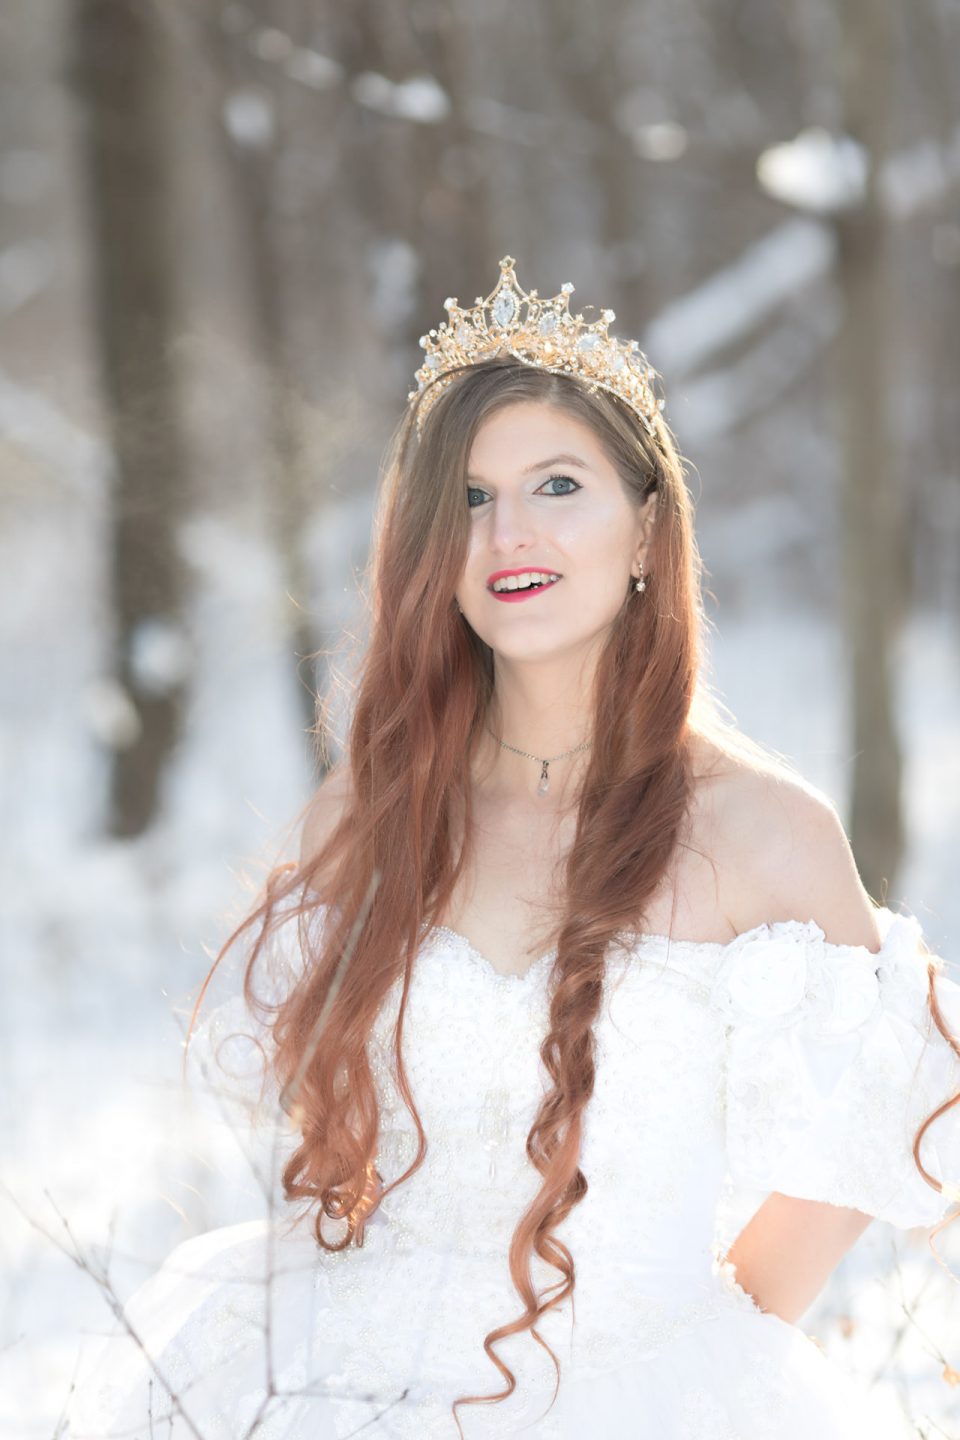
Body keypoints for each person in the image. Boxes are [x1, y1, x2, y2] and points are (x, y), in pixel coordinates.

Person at [67, 255, 960, 1439]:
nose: (508, 532)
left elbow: (853, 1162)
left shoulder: (763, 831)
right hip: (344, 1384)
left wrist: (674, 1376)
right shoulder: (369, 814)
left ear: (647, 528)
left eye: (555, 484)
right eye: (473, 498)